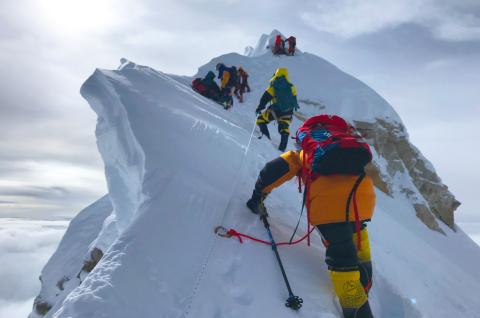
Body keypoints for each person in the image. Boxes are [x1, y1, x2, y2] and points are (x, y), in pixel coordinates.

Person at [246, 115, 375, 318]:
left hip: (329, 204)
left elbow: (273, 170)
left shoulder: (305, 152)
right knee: (357, 234)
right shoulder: (344, 141)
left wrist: (257, 198)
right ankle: (365, 284)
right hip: (362, 196)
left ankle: (357, 308)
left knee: (341, 255)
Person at [255, 67, 298, 151]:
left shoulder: (275, 84)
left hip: (275, 110)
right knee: (284, 128)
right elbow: (294, 100)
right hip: (288, 112)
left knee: (261, 120)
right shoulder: (292, 87)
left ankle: (266, 139)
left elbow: (265, 97)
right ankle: (282, 149)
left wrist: (260, 107)